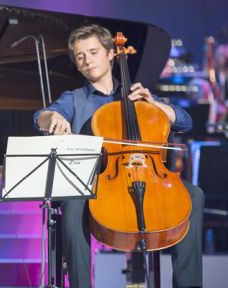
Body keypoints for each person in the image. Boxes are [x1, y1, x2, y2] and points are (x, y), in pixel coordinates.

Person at [34, 24, 204, 288]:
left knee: (193, 195)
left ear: (111, 54)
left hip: (148, 178)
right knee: (71, 202)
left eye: (93, 52)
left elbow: (185, 121)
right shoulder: (74, 99)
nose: (87, 60)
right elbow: (40, 117)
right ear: (77, 65)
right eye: (80, 57)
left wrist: (155, 105)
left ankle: (188, 284)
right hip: (98, 184)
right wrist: (53, 117)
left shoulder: (138, 96)